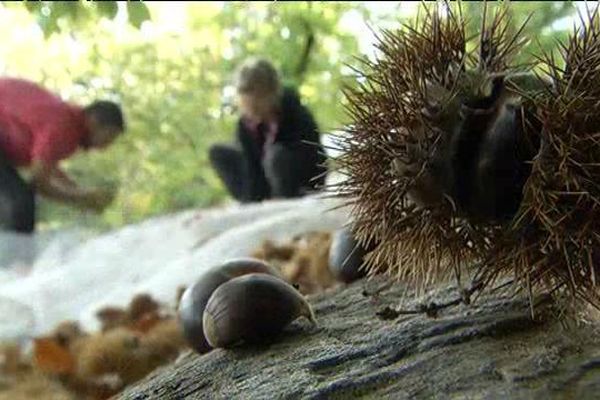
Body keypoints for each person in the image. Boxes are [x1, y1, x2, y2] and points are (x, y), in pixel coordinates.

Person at [0, 77, 125, 234]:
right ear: (93, 122)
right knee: (19, 204)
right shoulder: (64, 128)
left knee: (16, 200)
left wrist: (79, 191)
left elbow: (47, 167)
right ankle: (15, 258)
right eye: (108, 137)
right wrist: (82, 199)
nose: (104, 147)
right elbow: (38, 183)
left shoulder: (67, 121)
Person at [209, 57, 327, 203]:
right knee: (218, 152)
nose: (253, 113)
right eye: (248, 107)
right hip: (264, 185)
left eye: (257, 106)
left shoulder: (297, 114)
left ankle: (283, 200)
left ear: (272, 93)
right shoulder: (245, 126)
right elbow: (252, 167)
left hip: (298, 181)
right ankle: (250, 201)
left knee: (276, 155)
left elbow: (316, 158)